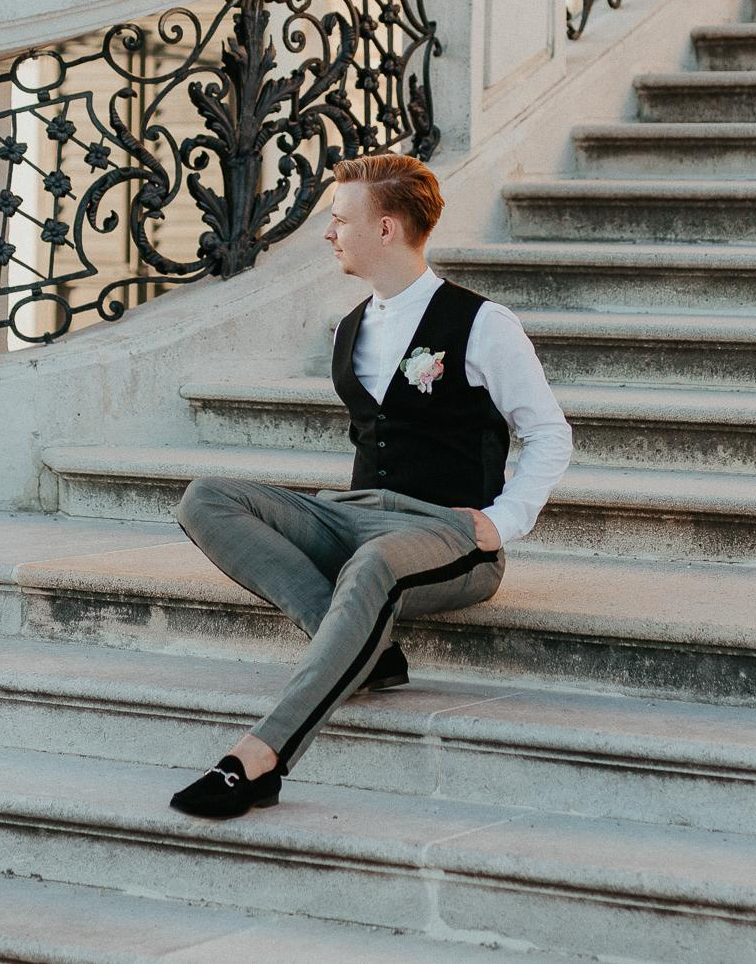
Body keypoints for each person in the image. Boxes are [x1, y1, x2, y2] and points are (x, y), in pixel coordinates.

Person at [166, 153, 574, 820]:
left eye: (338, 219)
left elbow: (549, 432)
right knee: (207, 496)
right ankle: (372, 649)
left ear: (386, 229)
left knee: (377, 562)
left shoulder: (482, 323)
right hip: (355, 515)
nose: (329, 233)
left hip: (445, 533)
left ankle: (261, 756)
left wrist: (503, 521)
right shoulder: (352, 325)